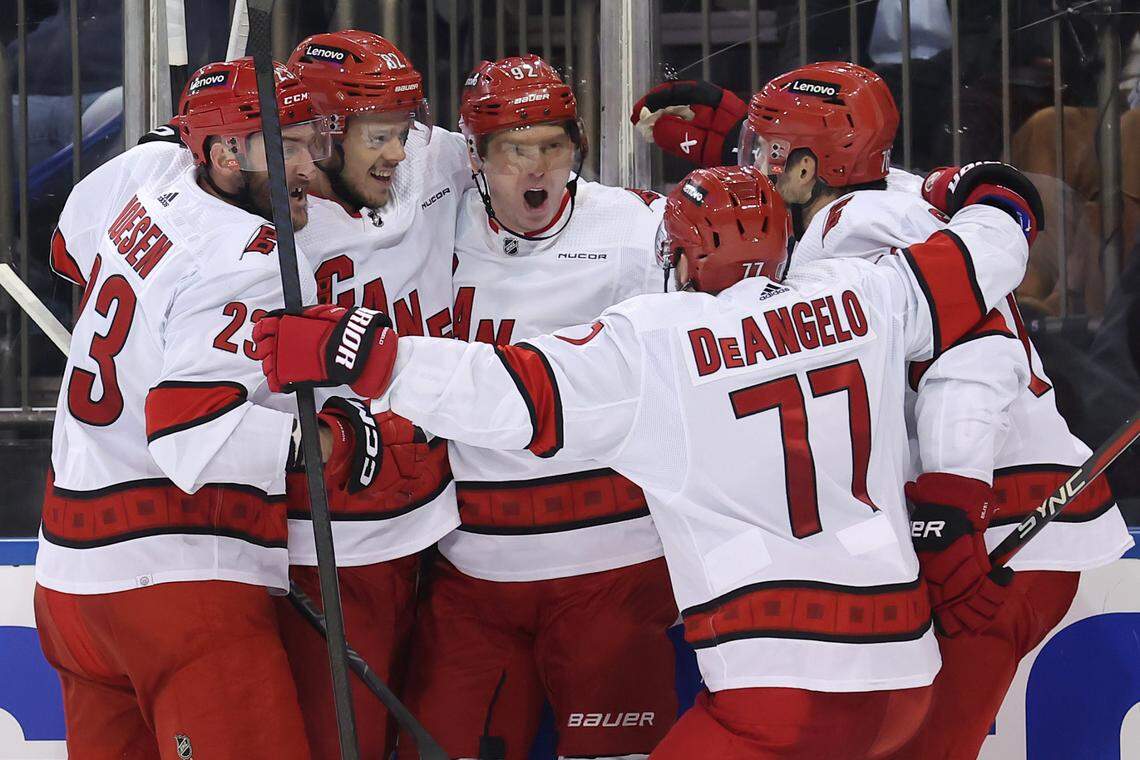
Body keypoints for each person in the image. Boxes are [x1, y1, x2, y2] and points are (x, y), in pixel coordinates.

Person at [252, 163, 1036, 759]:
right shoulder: (865, 296)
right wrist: (988, 189)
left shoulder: (659, 341)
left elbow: (506, 392)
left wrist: (364, 354)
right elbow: (988, 252)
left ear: (684, 258)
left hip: (774, 689)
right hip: (903, 678)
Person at [634, 60, 1134, 758]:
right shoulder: (882, 198)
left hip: (991, 532)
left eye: (764, 150)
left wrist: (952, 499)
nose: (753, 164)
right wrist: (739, 147)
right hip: (986, 522)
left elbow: (976, 355)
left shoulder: (854, 233)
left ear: (808, 169)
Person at [35, 58, 332, 759]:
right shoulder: (254, 260)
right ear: (224, 155)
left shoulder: (150, 180)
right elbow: (190, 434)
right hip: (179, 585)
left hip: (71, 583)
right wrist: (329, 441)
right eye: (281, 148)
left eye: (308, 143)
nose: (307, 168)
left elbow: (64, 244)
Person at [400, 54, 678, 760]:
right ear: (475, 157)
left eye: (552, 146)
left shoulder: (639, 229)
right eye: (514, 151)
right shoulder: (428, 231)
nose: (536, 170)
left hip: (612, 573)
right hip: (473, 578)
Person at [284, 29, 470, 758]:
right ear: (323, 134)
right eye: (379, 137)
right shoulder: (262, 224)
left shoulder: (428, 157)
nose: (398, 152)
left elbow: (519, 142)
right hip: (333, 542)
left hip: (443, 529)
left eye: (403, 130)